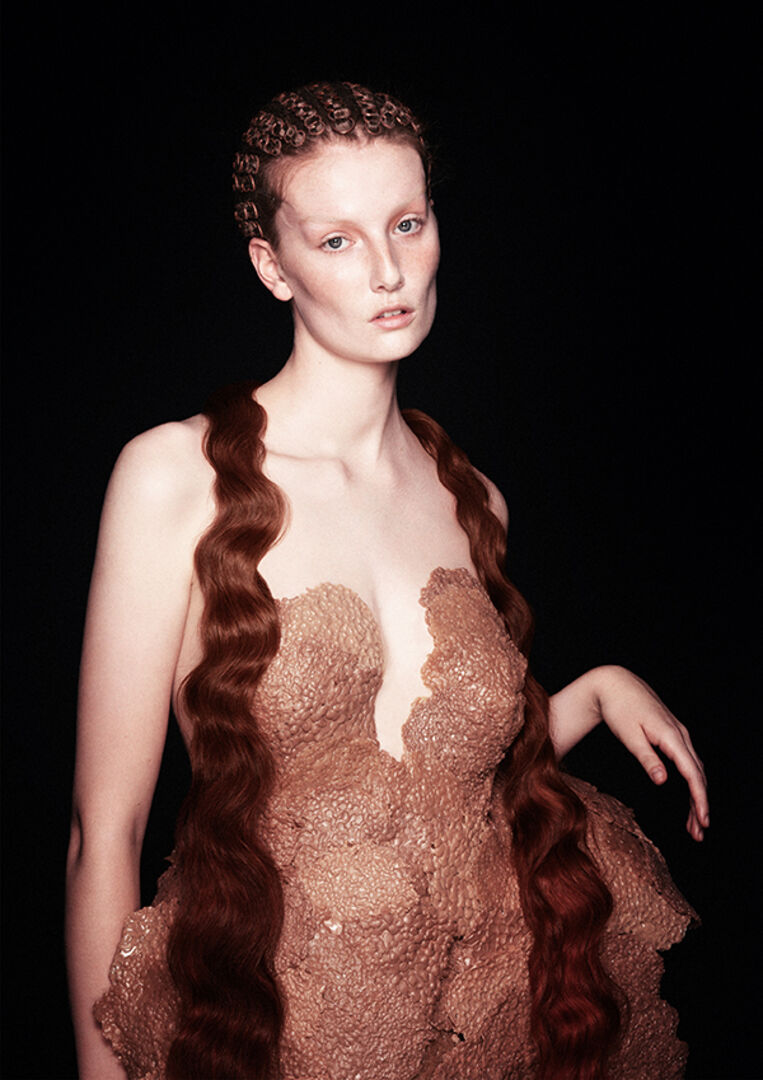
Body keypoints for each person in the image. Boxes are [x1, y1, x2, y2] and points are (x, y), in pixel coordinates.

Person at [65, 82, 708, 1080]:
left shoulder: (473, 499)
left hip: (483, 1029)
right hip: (261, 1032)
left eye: (407, 223)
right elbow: (102, 834)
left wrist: (589, 693)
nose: (387, 270)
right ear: (271, 267)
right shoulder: (173, 477)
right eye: (337, 240)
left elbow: (440, 796)